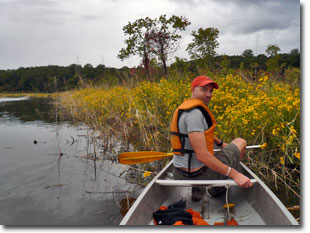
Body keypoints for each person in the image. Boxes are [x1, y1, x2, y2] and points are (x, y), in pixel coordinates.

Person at [170, 75, 253, 201]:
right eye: (204, 89)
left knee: (209, 156)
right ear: (193, 90)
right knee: (240, 142)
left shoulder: (184, 108)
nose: (209, 94)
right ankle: (217, 189)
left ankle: (197, 190)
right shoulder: (195, 114)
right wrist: (235, 174)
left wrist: (219, 143)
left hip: (178, 173)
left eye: (211, 91)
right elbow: (202, 156)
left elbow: (197, 134)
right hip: (197, 176)